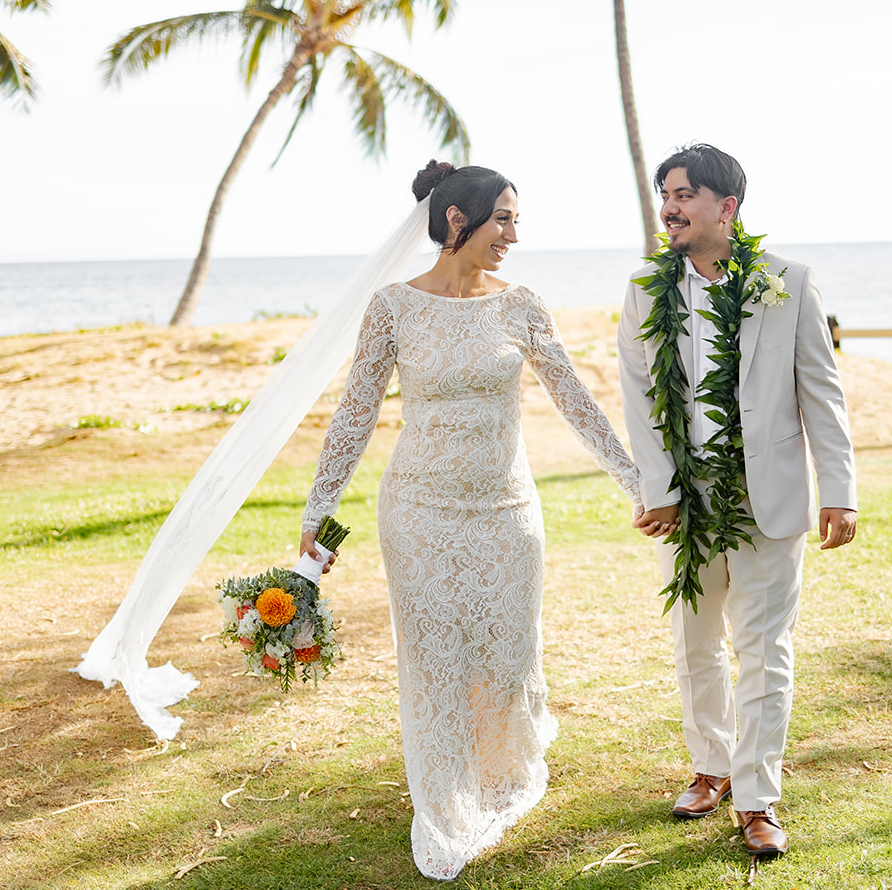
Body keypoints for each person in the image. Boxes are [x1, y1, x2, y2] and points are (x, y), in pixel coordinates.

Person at [298, 160, 644, 881]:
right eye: (504, 218)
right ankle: (444, 791)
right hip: (418, 510)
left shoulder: (521, 305)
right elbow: (356, 412)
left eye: (516, 219)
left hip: (506, 509)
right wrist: (319, 508)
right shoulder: (393, 306)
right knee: (433, 660)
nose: (514, 234)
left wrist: (634, 478)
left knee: (506, 654)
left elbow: (573, 398)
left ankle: (496, 772)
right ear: (458, 220)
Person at [616, 144, 858, 860]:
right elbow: (639, 398)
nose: (669, 206)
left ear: (727, 206)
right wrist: (656, 489)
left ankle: (757, 798)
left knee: (764, 652)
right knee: (695, 646)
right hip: (685, 506)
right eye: (665, 192)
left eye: (684, 193)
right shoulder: (643, 289)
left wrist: (838, 489)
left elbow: (822, 391)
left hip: (769, 498)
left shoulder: (788, 282)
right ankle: (711, 766)